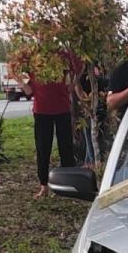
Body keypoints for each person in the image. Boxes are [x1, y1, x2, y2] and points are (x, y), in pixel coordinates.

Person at [26, 47, 82, 194]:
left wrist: (72, 85)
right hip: (41, 110)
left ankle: (69, 184)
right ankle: (43, 185)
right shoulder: (32, 55)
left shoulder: (62, 54)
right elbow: (15, 66)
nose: (43, 35)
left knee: (66, 148)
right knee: (43, 148)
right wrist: (21, 82)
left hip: (62, 108)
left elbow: (80, 65)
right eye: (40, 32)